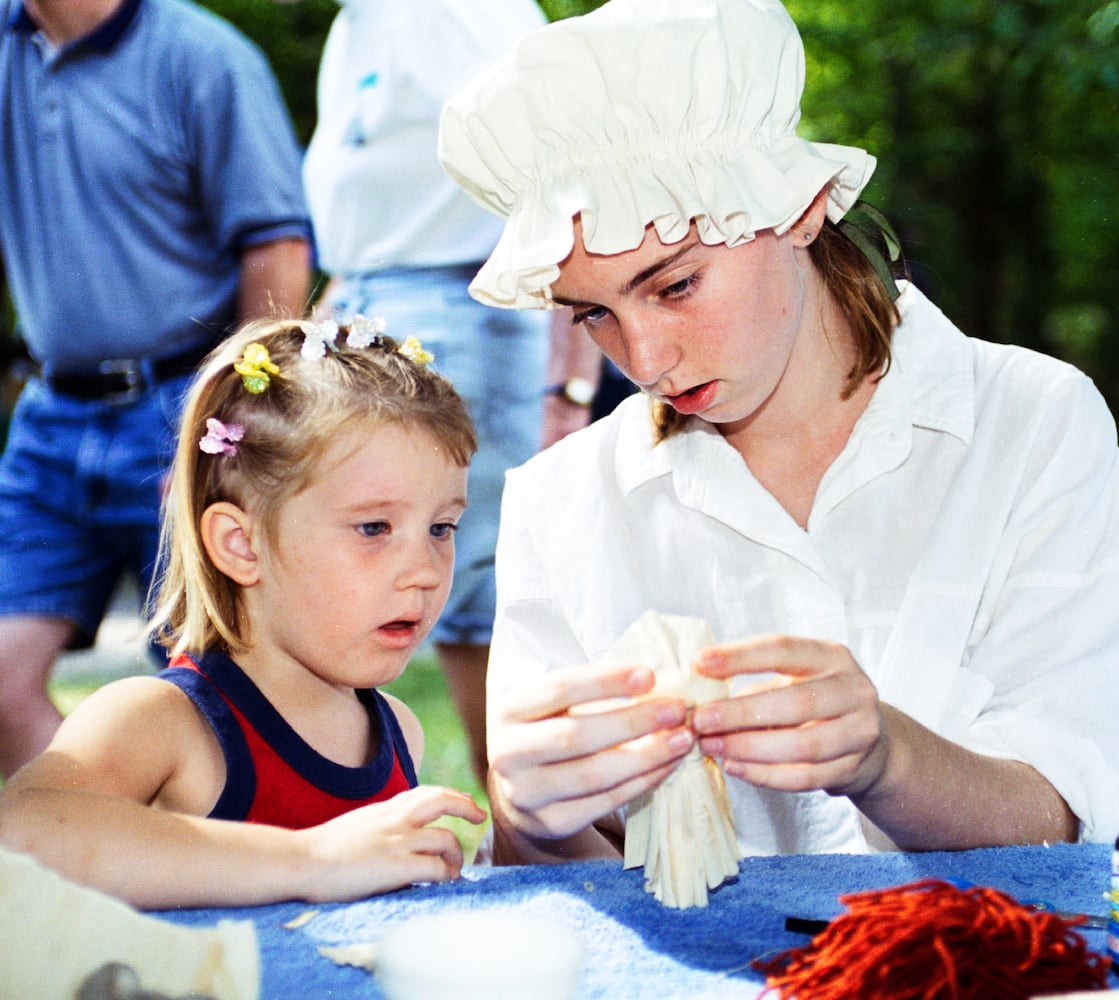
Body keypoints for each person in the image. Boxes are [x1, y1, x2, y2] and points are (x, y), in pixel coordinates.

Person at [436, 0, 1119, 865]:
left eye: (675, 285)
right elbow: (571, 883)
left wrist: (885, 757)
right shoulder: (562, 498)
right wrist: (537, 817)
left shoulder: (1031, 421)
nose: (642, 358)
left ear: (797, 209)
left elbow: (1068, 815)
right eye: (592, 315)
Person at [0, 318, 487, 908]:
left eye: (441, 527)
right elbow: (23, 835)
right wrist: (314, 861)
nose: (426, 570)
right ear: (240, 543)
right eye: (374, 527)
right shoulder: (163, 723)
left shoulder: (399, 732)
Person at [0, 0, 313, 777]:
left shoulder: (202, 58)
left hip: (185, 406)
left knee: (210, 694)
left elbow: (276, 248)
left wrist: (230, 419)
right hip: (49, 416)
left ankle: (220, 871)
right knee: (3, 694)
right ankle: (129, 853)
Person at [301, 0, 560, 783]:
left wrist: (565, 382)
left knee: (470, 582)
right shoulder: (356, 24)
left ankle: (528, 830)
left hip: (462, 311)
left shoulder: (460, 9)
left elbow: (555, 168)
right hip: (361, 301)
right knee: (347, 558)